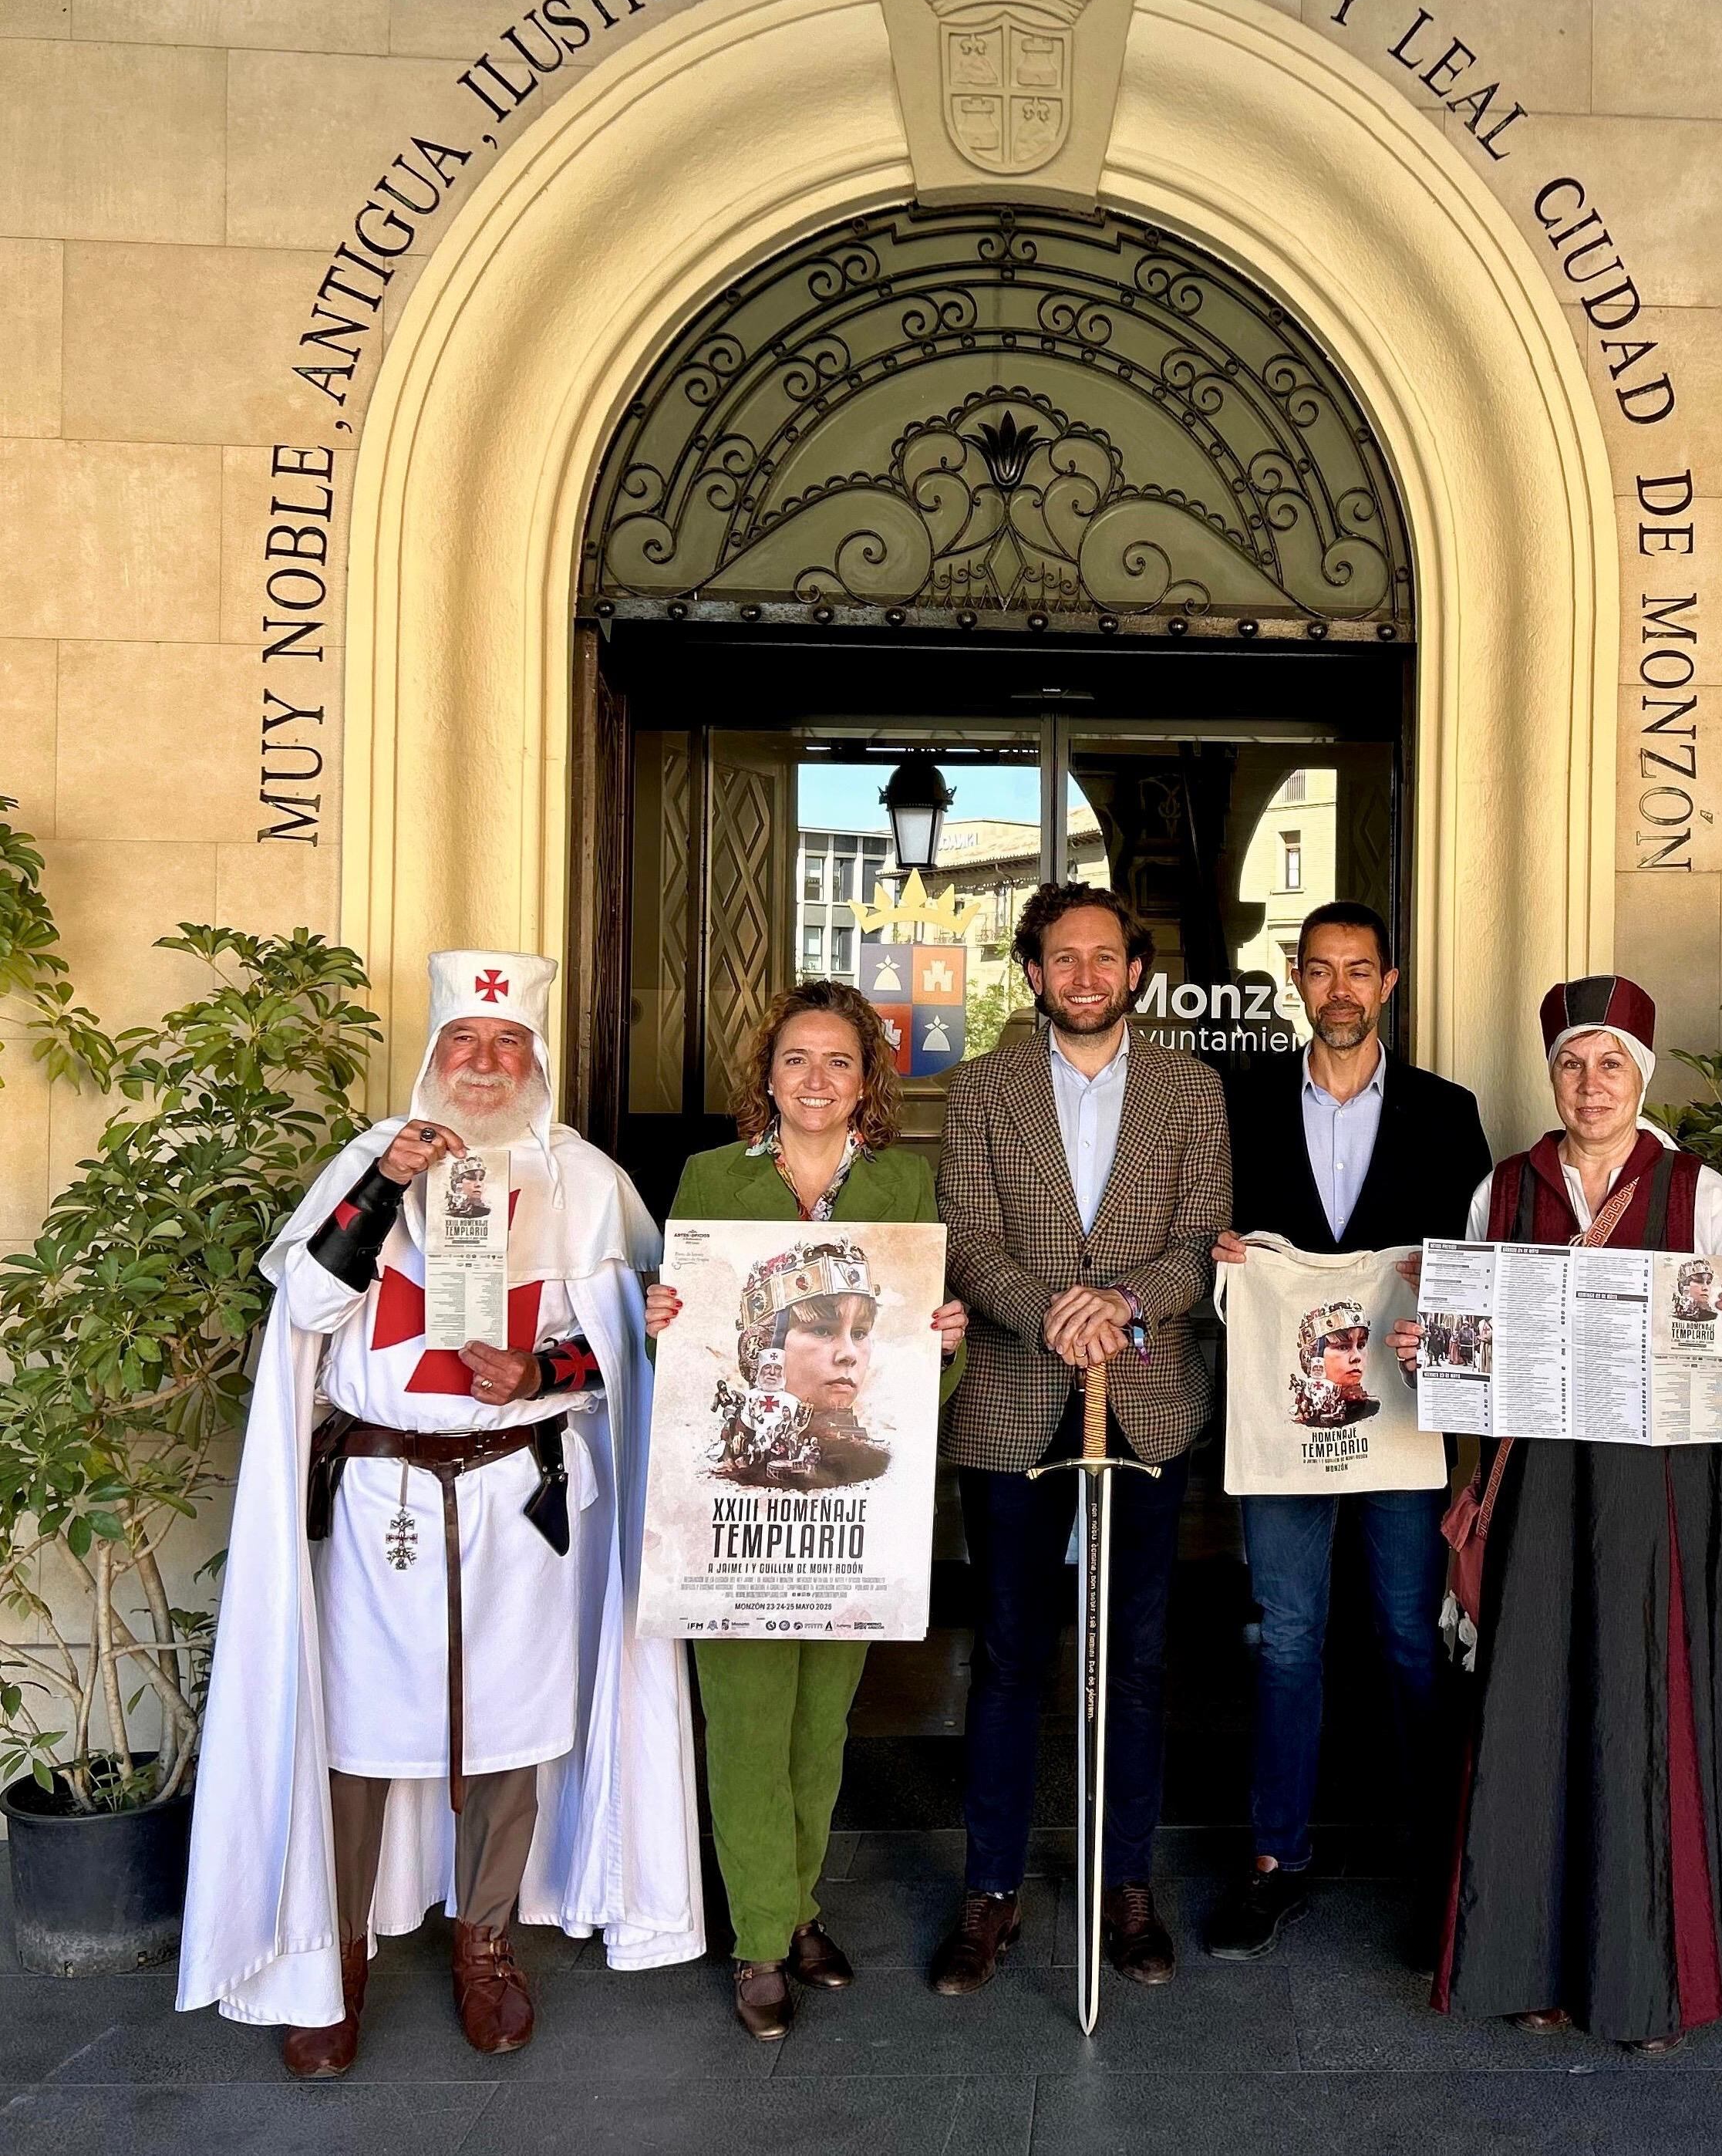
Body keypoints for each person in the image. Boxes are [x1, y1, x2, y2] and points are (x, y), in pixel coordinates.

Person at [178, 952, 699, 2077]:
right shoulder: (369, 1162)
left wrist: (538, 1368)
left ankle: (487, 1938)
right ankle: (339, 1951)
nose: (484, 1060)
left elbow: (634, 1346)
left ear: (535, 1059)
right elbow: (313, 1303)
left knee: (515, 1724)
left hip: (523, 1494)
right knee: (358, 1726)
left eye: (507, 1043)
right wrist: (383, 1183)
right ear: (432, 1053)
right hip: (379, 1492)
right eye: (465, 1039)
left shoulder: (585, 1180)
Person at [1393, 974, 1722, 2056]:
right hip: (1538, 1483)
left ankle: (1645, 1977)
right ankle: (1529, 1963)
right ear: (1548, 1072)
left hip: (1656, 1491)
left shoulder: (1697, 1192)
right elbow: (1468, 1351)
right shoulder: (1501, 1189)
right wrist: (1433, 1351)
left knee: (1641, 1706)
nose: (1589, 1083)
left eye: (1610, 1064)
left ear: (1639, 1076)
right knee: (1530, 1701)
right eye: (1570, 1062)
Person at [643, 979, 967, 2040]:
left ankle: (798, 1906)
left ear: (867, 1081)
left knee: (820, 1724)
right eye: (796, 1059)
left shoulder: (907, 1183)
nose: (816, 1079)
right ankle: (758, 1944)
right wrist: (656, 1320)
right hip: (729, 1506)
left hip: (851, 1516)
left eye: (838, 1061)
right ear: (766, 1074)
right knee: (743, 1721)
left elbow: (910, 1389)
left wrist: (941, 1346)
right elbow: (688, 1366)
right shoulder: (706, 1179)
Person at [928, 883, 1231, 1994]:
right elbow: (962, 1232)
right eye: (1064, 958)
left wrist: (1124, 1303)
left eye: (1106, 957)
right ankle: (990, 1889)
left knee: (1138, 1661)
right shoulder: (983, 1087)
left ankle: (1126, 1884)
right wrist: (1052, 1308)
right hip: (1012, 1399)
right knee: (1008, 1656)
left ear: (1135, 972)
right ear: (1035, 973)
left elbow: (1204, 1239)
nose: (1087, 976)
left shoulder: (1191, 1090)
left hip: (1148, 1403)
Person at [1203, 901, 1491, 1961]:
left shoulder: (1446, 1112)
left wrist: (1444, 1305)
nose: (1338, 989)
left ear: (1389, 981)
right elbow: (1201, 1237)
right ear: (1296, 978)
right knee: (1286, 1639)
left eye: (1357, 970)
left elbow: (1479, 1264)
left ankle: (1438, 1864)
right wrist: (1223, 1256)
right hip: (1282, 1425)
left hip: (1406, 1422)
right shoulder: (1237, 1108)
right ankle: (1276, 1858)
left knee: (1411, 1639)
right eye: (1319, 970)